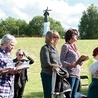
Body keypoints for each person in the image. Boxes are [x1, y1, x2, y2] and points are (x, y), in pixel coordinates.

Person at [40, 30, 62, 98]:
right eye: (54, 37)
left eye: (57, 38)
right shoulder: (45, 48)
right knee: (49, 95)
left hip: (56, 75)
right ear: (49, 38)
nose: (56, 39)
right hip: (47, 75)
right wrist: (54, 66)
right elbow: (46, 63)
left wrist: (59, 67)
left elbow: (59, 62)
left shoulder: (55, 49)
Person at [60, 29, 82, 98]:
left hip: (77, 73)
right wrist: (70, 64)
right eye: (75, 34)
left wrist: (81, 61)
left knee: (74, 95)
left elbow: (77, 58)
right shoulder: (66, 46)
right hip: (70, 73)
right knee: (69, 95)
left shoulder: (75, 46)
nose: (77, 35)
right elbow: (61, 60)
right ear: (71, 35)